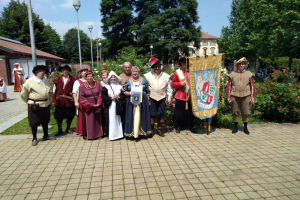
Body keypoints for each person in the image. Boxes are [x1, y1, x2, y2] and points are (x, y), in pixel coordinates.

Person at [21, 65, 56, 146]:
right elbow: (23, 94)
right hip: (35, 104)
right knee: (34, 122)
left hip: (45, 103)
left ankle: (46, 136)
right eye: (41, 71)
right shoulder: (29, 81)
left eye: (44, 71)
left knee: (45, 121)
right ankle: (34, 138)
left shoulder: (45, 81)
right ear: (36, 72)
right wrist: (29, 101)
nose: (43, 73)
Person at [144, 57, 172, 137]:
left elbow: (169, 88)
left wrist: (169, 98)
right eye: (155, 66)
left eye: (158, 66)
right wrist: (147, 96)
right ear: (153, 67)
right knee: (152, 114)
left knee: (161, 114)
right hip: (152, 97)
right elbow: (145, 87)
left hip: (162, 97)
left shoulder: (166, 76)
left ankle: (160, 129)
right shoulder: (147, 76)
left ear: (161, 66)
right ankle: (152, 129)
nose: (157, 68)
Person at [227, 57, 255, 135]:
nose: (241, 65)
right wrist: (228, 96)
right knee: (235, 111)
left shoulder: (249, 74)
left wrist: (252, 96)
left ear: (245, 65)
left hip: (246, 95)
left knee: (246, 111)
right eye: (240, 64)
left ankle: (245, 128)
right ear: (237, 65)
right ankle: (235, 127)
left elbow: (252, 85)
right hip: (234, 95)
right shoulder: (232, 74)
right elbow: (229, 86)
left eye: (243, 64)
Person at [123, 66, 152, 138]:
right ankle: (132, 133)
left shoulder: (144, 80)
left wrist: (148, 100)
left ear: (139, 72)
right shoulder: (128, 81)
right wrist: (129, 93)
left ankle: (142, 133)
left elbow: (147, 90)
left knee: (142, 115)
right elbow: (124, 91)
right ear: (131, 72)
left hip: (143, 102)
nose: (135, 73)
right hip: (131, 102)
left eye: (136, 71)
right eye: (133, 71)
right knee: (132, 117)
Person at [172, 57, 197, 133]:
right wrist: (180, 84)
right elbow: (173, 84)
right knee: (179, 113)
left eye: (185, 62)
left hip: (190, 96)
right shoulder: (177, 73)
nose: (184, 64)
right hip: (180, 96)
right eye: (183, 63)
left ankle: (191, 126)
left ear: (188, 63)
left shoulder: (192, 72)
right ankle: (178, 126)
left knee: (191, 114)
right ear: (181, 63)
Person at [52, 65, 76, 136]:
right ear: (61, 71)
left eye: (66, 70)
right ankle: (60, 130)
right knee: (59, 116)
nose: (65, 71)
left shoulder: (73, 79)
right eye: (63, 70)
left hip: (69, 100)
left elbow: (75, 90)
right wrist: (53, 101)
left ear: (69, 71)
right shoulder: (57, 79)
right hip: (60, 100)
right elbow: (54, 91)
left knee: (70, 115)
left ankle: (68, 128)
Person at [80, 71, 103, 140]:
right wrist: (91, 105)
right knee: (89, 120)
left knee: (98, 120)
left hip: (97, 104)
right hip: (88, 106)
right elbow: (82, 97)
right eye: (88, 76)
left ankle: (99, 134)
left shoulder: (98, 84)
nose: (90, 77)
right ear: (86, 77)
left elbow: (100, 94)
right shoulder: (82, 86)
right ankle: (89, 135)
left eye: (91, 76)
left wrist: (98, 103)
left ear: (93, 77)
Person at [102, 71, 125, 141]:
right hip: (110, 106)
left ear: (116, 78)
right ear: (109, 78)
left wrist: (119, 97)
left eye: (114, 77)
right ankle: (111, 135)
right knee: (111, 119)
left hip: (118, 105)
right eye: (111, 77)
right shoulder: (106, 87)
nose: (113, 78)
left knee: (118, 119)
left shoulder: (120, 87)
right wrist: (111, 98)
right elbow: (103, 96)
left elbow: (123, 96)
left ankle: (119, 134)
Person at [72, 68, 88, 135]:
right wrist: (76, 102)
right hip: (81, 101)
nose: (85, 72)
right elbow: (74, 92)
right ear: (80, 73)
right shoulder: (77, 82)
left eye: (86, 71)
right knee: (82, 116)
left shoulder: (91, 80)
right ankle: (82, 131)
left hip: (90, 100)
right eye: (83, 71)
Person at [119, 62, 133, 132]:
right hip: (124, 98)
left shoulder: (134, 75)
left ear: (131, 67)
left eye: (128, 67)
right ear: (123, 68)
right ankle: (125, 130)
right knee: (125, 116)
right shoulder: (121, 76)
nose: (127, 69)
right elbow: (118, 87)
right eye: (125, 67)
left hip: (134, 98)